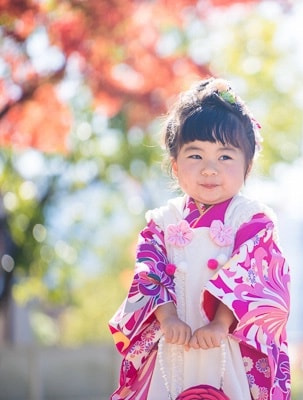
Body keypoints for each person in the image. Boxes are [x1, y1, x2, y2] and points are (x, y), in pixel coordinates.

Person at [108, 78, 291, 400]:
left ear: (247, 166)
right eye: (195, 156)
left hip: (229, 343)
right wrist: (167, 318)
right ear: (175, 166)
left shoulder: (252, 219)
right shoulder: (162, 221)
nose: (209, 169)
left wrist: (221, 323)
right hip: (172, 341)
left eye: (225, 157)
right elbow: (147, 271)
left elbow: (254, 276)